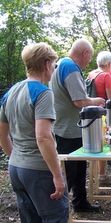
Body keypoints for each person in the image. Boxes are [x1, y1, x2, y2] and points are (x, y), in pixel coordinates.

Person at [0, 43, 69, 222]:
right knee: (55, 216)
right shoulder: (43, 92)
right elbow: (43, 137)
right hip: (39, 170)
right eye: (54, 66)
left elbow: (1, 134)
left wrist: (17, 157)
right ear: (46, 64)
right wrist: (57, 175)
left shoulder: (11, 92)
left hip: (16, 168)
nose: (53, 70)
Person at [49, 39, 105, 213]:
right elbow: (80, 100)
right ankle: (61, 209)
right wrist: (97, 101)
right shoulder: (70, 68)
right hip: (68, 130)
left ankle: (80, 203)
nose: (89, 61)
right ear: (85, 53)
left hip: (69, 127)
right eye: (89, 57)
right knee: (69, 172)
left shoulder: (60, 65)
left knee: (80, 167)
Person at [88, 50, 111, 186]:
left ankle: (94, 175)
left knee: (94, 143)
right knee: (102, 142)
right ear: (108, 63)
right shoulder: (106, 76)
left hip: (90, 113)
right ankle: (102, 175)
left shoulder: (91, 74)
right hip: (102, 114)